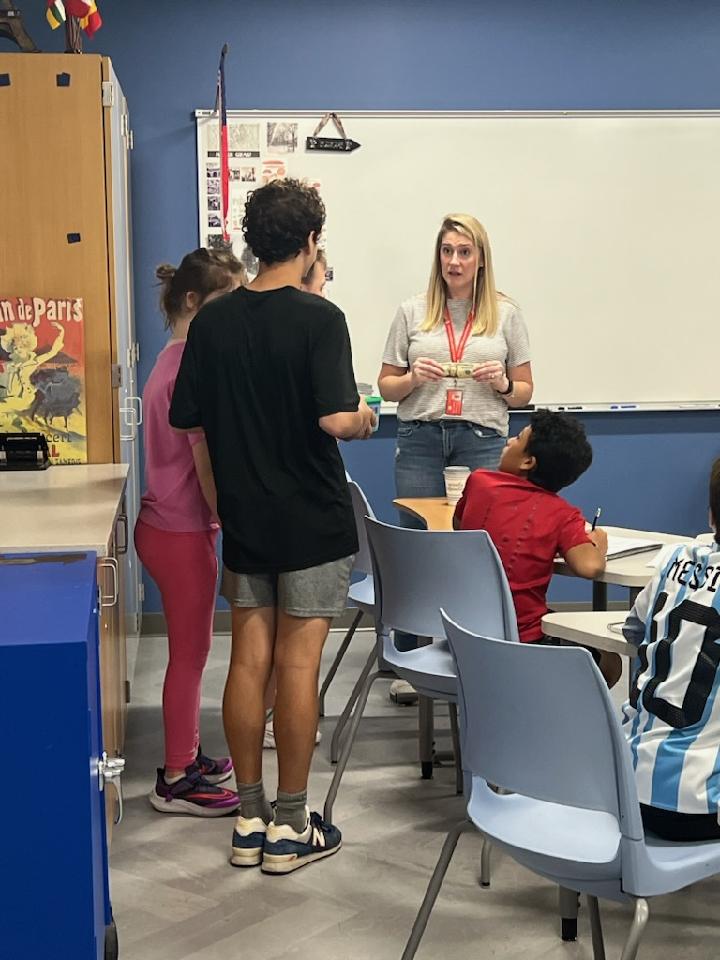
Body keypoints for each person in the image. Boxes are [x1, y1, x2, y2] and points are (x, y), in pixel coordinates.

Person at [169, 178, 375, 874]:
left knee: (249, 658)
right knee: (298, 664)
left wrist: (222, 497)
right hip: (313, 519)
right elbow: (335, 418)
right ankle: (292, 826)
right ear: (312, 241)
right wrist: (366, 418)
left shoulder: (213, 323)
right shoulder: (321, 318)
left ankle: (248, 815)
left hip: (246, 516)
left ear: (252, 243)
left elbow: (190, 418)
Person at [379, 214, 533, 698]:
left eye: (464, 252)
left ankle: (474, 651)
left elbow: (525, 391)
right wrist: (412, 380)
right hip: (422, 434)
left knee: (477, 545)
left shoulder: (506, 314)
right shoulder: (412, 311)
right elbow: (386, 384)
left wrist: (503, 383)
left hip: (482, 438)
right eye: (447, 251)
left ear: (480, 258)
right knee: (416, 542)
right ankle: (405, 657)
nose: (454, 261)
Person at [135, 248, 245, 817]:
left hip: (167, 524)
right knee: (190, 655)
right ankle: (177, 776)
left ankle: (189, 751)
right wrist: (229, 512)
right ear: (192, 302)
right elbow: (204, 464)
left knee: (192, 651)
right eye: (226, 304)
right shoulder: (187, 371)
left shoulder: (171, 359)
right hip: (180, 531)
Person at [454, 409, 621, 687]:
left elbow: (459, 525)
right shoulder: (562, 514)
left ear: (528, 461)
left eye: (517, 439)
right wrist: (597, 544)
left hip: (463, 628)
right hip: (523, 637)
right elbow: (590, 566)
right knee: (610, 659)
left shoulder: (479, 482)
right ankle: (559, 718)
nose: (508, 440)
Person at [621, 458, 720, 841]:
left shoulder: (673, 561)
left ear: (711, 516)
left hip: (627, 790)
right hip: (699, 808)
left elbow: (633, 629)